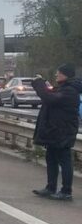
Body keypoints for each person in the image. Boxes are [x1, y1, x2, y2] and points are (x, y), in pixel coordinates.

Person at [31, 64, 81, 201]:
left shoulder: (70, 90)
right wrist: (43, 85)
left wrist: (39, 84)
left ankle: (66, 191)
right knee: (51, 159)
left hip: (63, 131)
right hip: (54, 131)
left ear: (66, 75)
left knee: (64, 160)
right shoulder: (63, 88)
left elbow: (49, 99)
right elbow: (49, 95)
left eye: (58, 73)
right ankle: (50, 188)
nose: (56, 75)